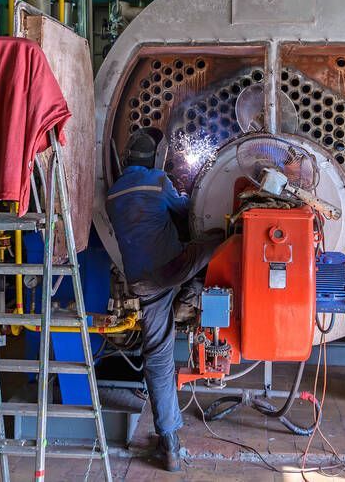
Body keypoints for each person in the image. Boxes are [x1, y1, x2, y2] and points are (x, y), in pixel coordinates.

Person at [105, 129, 220, 472]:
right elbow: (187, 210)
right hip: (173, 269)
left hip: (142, 284)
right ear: (156, 159)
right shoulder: (157, 181)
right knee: (220, 237)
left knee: (158, 356)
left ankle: (169, 442)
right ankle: (194, 290)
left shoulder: (112, 194)